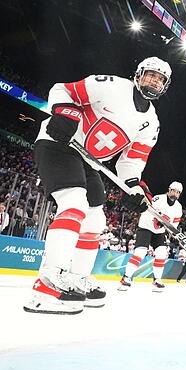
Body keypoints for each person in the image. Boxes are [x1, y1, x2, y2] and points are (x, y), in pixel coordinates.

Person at [24, 57, 171, 314]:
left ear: (165, 87)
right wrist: (63, 112)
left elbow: (131, 163)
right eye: (150, 75)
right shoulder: (111, 86)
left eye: (160, 79)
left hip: (90, 161)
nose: (154, 81)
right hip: (59, 143)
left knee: (95, 221)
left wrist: (135, 189)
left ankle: (77, 278)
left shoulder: (152, 124)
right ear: (138, 75)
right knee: (74, 203)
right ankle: (46, 283)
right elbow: (63, 90)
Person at [119, 181, 183, 292]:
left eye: (178, 192)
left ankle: (157, 280)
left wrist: (173, 234)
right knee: (140, 252)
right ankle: (126, 277)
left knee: (162, 253)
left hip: (159, 232)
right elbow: (146, 211)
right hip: (146, 227)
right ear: (169, 189)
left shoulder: (178, 208)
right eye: (173, 190)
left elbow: (173, 226)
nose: (175, 193)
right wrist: (156, 221)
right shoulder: (158, 199)